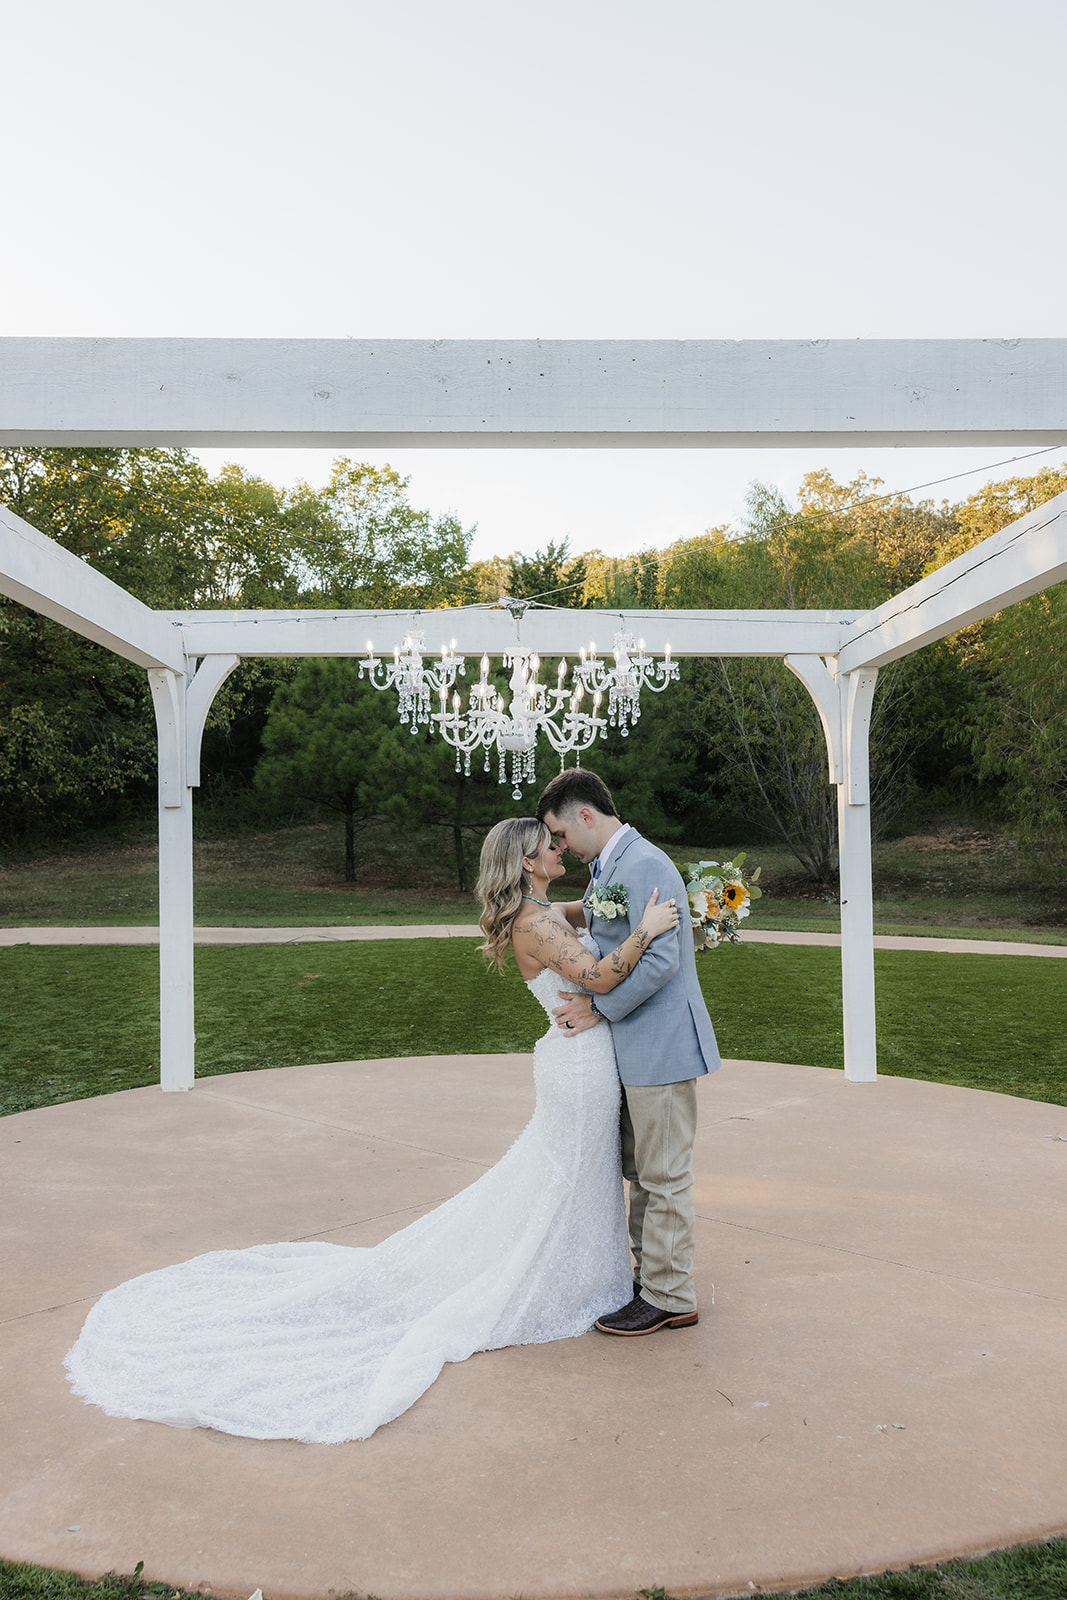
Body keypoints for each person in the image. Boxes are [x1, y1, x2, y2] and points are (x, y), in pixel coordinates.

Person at [63, 818, 678, 1445]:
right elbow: (600, 978)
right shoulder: (539, 923)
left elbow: (577, 910)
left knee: (569, 1176)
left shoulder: (540, 911)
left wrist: (609, 900)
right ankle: (561, 1277)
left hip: (575, 1059)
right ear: (526, 862)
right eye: (551, 844)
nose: (561, 847)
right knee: (568, 1175)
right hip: (577, 1066)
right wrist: (650, 930)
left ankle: (583, 1270)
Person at [537, 768, 720, 1336]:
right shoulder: (608, 869)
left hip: (660, 1045)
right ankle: (652, 1283)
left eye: (560, 834)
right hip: (635, 1049)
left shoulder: (642, 864)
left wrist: (599, 1010)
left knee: (663, 1175)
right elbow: (604, 926)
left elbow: (663, 962)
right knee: (641, 1170)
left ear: (585, 816)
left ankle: (671, 1296)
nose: (560, 846)